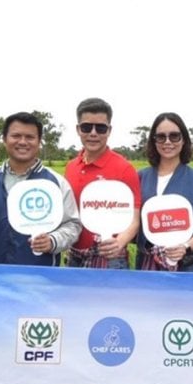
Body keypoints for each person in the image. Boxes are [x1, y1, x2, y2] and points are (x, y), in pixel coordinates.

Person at [0, 111, 81, 266]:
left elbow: (72, 225)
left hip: (39, 273)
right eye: (16, 136)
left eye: (30, 137)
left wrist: (53, 241)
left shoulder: (56, 183)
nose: (23, 142)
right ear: (4, 139)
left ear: (39, 142)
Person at [63, 97, 140, 268]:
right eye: (86, 127)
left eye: (100, 128)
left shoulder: (124, 168)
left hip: (110, 257)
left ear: (109, 130)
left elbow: (134, 219)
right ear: (78, 129)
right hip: (75, 255)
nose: (93, 133)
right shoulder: (71, 167)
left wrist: (119, 242)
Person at [136, 111, 193, 271]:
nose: (167, 142)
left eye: (174, 136)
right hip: (147, 265)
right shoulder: (140, 177)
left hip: (184, 266)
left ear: (184, 139)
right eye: (161, 137)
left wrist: (185, 247)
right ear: (153, 141)